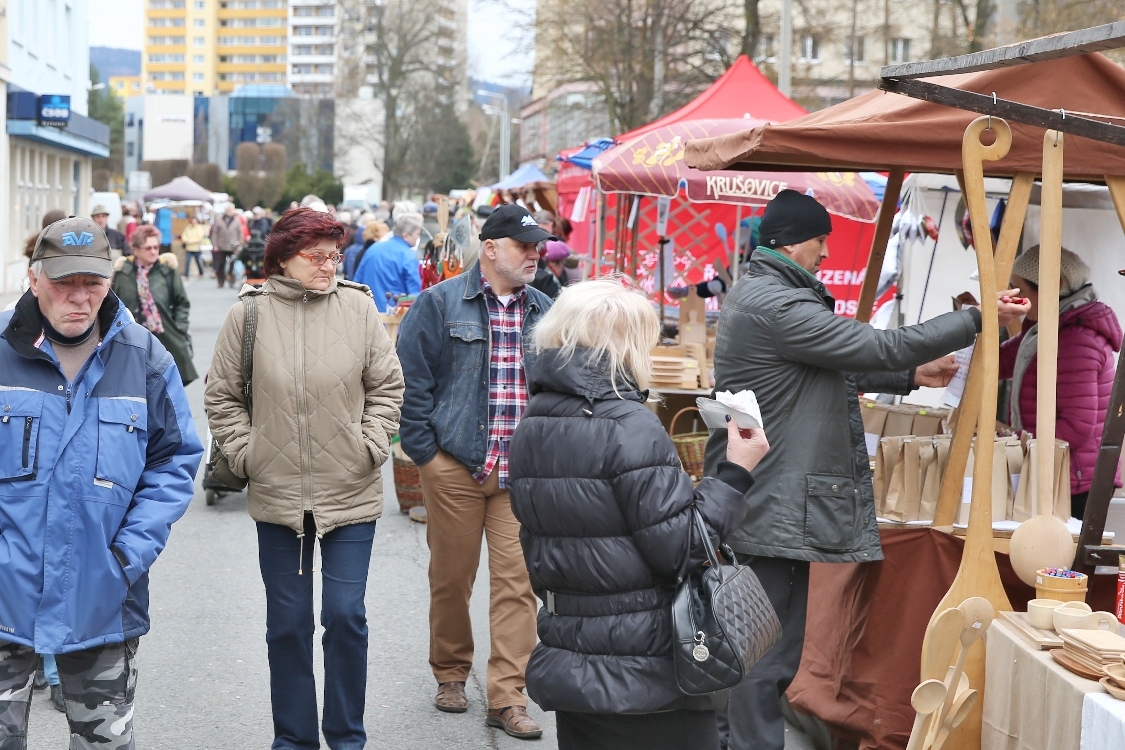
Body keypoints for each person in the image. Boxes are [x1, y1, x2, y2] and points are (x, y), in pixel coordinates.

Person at [702, 190, 1031, 750]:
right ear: (789, 241)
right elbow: (880, 344)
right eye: (820, 239)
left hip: (770, 496)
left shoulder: (764, 295)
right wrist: (977, 317)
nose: (826, 251)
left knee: (765, 647)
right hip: (773, 499)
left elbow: (818, 375)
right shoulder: (778, 305)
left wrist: (907, 377)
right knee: (764, 654)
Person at [509, 279, 769, 750]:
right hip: (643, 663)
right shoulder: (632, 426)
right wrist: (735, 474)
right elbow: (681, 548)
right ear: (627, 345)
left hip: (572, 650)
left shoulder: (533, 423)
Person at [0, 216, 202, 749]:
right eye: (64, 283)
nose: (79, 297)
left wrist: (126, 557)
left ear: (110, 281)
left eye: (92, 282)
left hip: (103, 600)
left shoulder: (145, 358)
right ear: (34, 278)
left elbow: (175, 461)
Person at [205, 207, 403, 750]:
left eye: (334, 255)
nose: (328, 265)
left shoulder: (358, 308)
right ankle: (293, 739)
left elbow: (388, 386)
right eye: (315, 256)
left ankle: (346, 738)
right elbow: (222, 396)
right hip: (278, 494)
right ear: (282, 259)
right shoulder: (247, 316)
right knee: (288, 627)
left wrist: (371, 443)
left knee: (345, 619)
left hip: (351, 489)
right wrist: (249, 455)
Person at [396, 203, 556, 740]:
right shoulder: (438, 305)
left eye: (538, 247)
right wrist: (427, 456)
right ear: (490, 249)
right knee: (451, 579)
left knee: (518, 586)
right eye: (524, 246)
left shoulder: (546, 311)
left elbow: (557, 389)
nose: (535, 254)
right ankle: (450, 673)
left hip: (521, 474)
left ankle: (508, 696)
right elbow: (410, 385)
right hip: (457, 467)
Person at [1003, 246, 1122, 519]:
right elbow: (1003, 359)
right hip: (1058, 471)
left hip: (1076, 481)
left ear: (1053, 286)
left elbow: (1077, 428)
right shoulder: (1047, 328)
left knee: (1061, 561)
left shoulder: (1076, 340)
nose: (1014, 296)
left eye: (1018, 289)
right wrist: (975, 323)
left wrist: (1019, 440)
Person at [111, 225, 199, 386]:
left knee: (167, 388)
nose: (153, 251)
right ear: (135, 249)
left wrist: (180, 326)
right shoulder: (122, 273)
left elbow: (182, 303)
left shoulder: (167, 270)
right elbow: (112, 305)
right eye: (148, 248)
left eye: (156, 247)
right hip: (131, 342)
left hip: (165, 340)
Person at [353, 212, 423, 312]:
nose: (418, 237)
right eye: (417, 234)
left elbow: (357, 282)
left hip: (368, 314)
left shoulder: (373, 249)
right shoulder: (409, 256)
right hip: (396, 318)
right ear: (406, 235)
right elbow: (415, 294)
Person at [211, 204, 243, 288]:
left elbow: (240, 233)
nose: (229, 212)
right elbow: (214, 233)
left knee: (232, 264)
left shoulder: (236, 221)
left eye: (230, 210)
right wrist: (215, 244)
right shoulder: (219, 220)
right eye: (228, 210)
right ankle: (220, 281)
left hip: (233, 246)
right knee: (221, 264)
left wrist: (240, 243)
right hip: (221, 245)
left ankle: (231, 280)